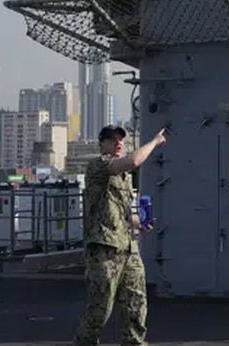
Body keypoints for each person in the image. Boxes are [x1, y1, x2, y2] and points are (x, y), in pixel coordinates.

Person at [74, 124, 168, 346]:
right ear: (102, 144)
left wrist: (138, 222)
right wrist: (154, 141)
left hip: (127, 247)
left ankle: (134, 342)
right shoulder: (99, 166)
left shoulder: (123, 177)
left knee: (136, 302)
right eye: (111, 139)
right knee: (100, 306)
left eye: (120, 139)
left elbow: (119, 212)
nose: (117, 142)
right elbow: (134, 161)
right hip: (104, 249)